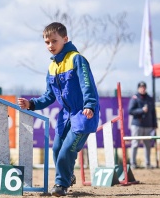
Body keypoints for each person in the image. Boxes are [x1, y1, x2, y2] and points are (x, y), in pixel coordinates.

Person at [18, 22, 99, 196]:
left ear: (65, 39)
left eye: (54, 41)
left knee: (66, 150)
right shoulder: (52, 67)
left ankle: (61, 185)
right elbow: (49, 96)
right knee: (56, 150)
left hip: (83, 113)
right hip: (65, 117)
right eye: (47, 42)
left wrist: (89, 105)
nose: (50, 46)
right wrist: (31, 104)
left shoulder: (77, 59)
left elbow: (87, 84)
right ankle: (68, 177)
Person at [128, 81, 157, 169]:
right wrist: (141, 110)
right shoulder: (135, 98)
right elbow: (130, 111)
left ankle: (147, 164)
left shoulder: (149, 98)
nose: (143, 88)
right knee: (135, 144)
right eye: (141, 87)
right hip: (137, 125)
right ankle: (133, 163)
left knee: (148, 145)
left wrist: (155, 124)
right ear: (138, 88)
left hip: (148, 125)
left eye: (144, 87)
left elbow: (153, 112)